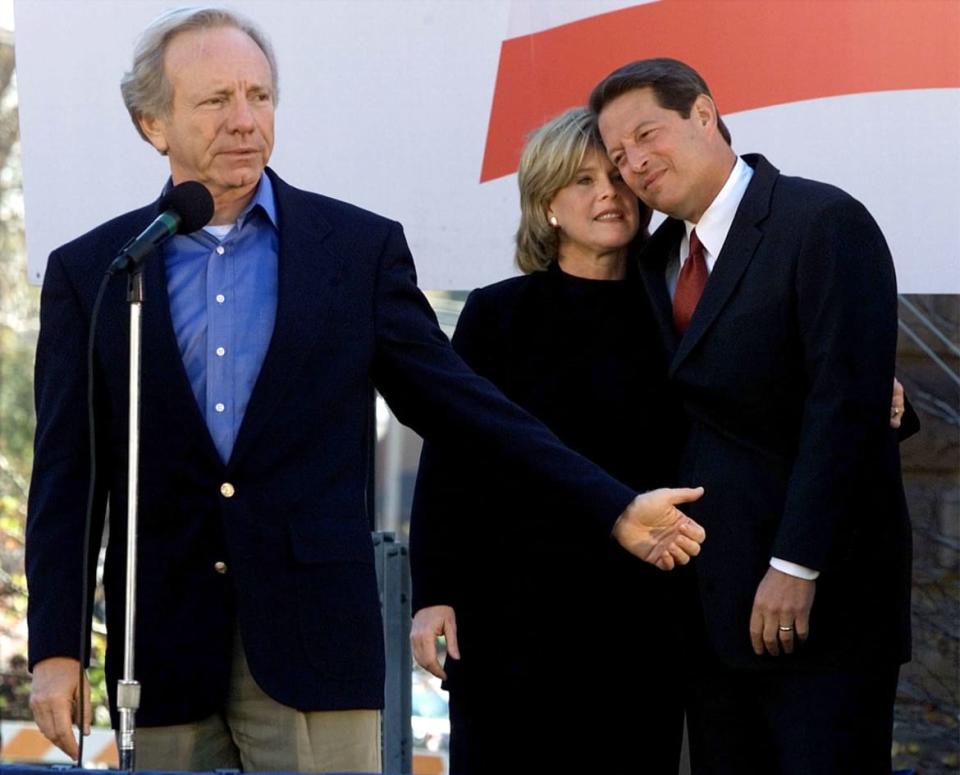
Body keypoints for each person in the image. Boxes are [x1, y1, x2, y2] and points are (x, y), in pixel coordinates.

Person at [25, 11, 707, 773]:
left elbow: (467, 412)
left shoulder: (354, 250)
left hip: (316, 647)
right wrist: (55, 646)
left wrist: (613, 505)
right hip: (162, 646)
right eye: (216, 101)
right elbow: (68, 474)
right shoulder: (100, 271)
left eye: (259, 95)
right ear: (154, 123)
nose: (245, 120)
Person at [590, 58, 914, 774]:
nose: (635, 163)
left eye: (647, 134)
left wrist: (795, 564)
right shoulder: (654, 261)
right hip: (710, 611)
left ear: (704, 115)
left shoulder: (822, 221)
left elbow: (843, 403)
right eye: (618, 156)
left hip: (820, 606)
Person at [409, 107, 688, 774]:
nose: (608, 195)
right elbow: (450, 461)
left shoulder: (678, 316)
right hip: (510, 615)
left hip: (640, 617)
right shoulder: (496, 314)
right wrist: (433, 591)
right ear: (546, 205)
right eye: (583, 180)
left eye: (618, 177)